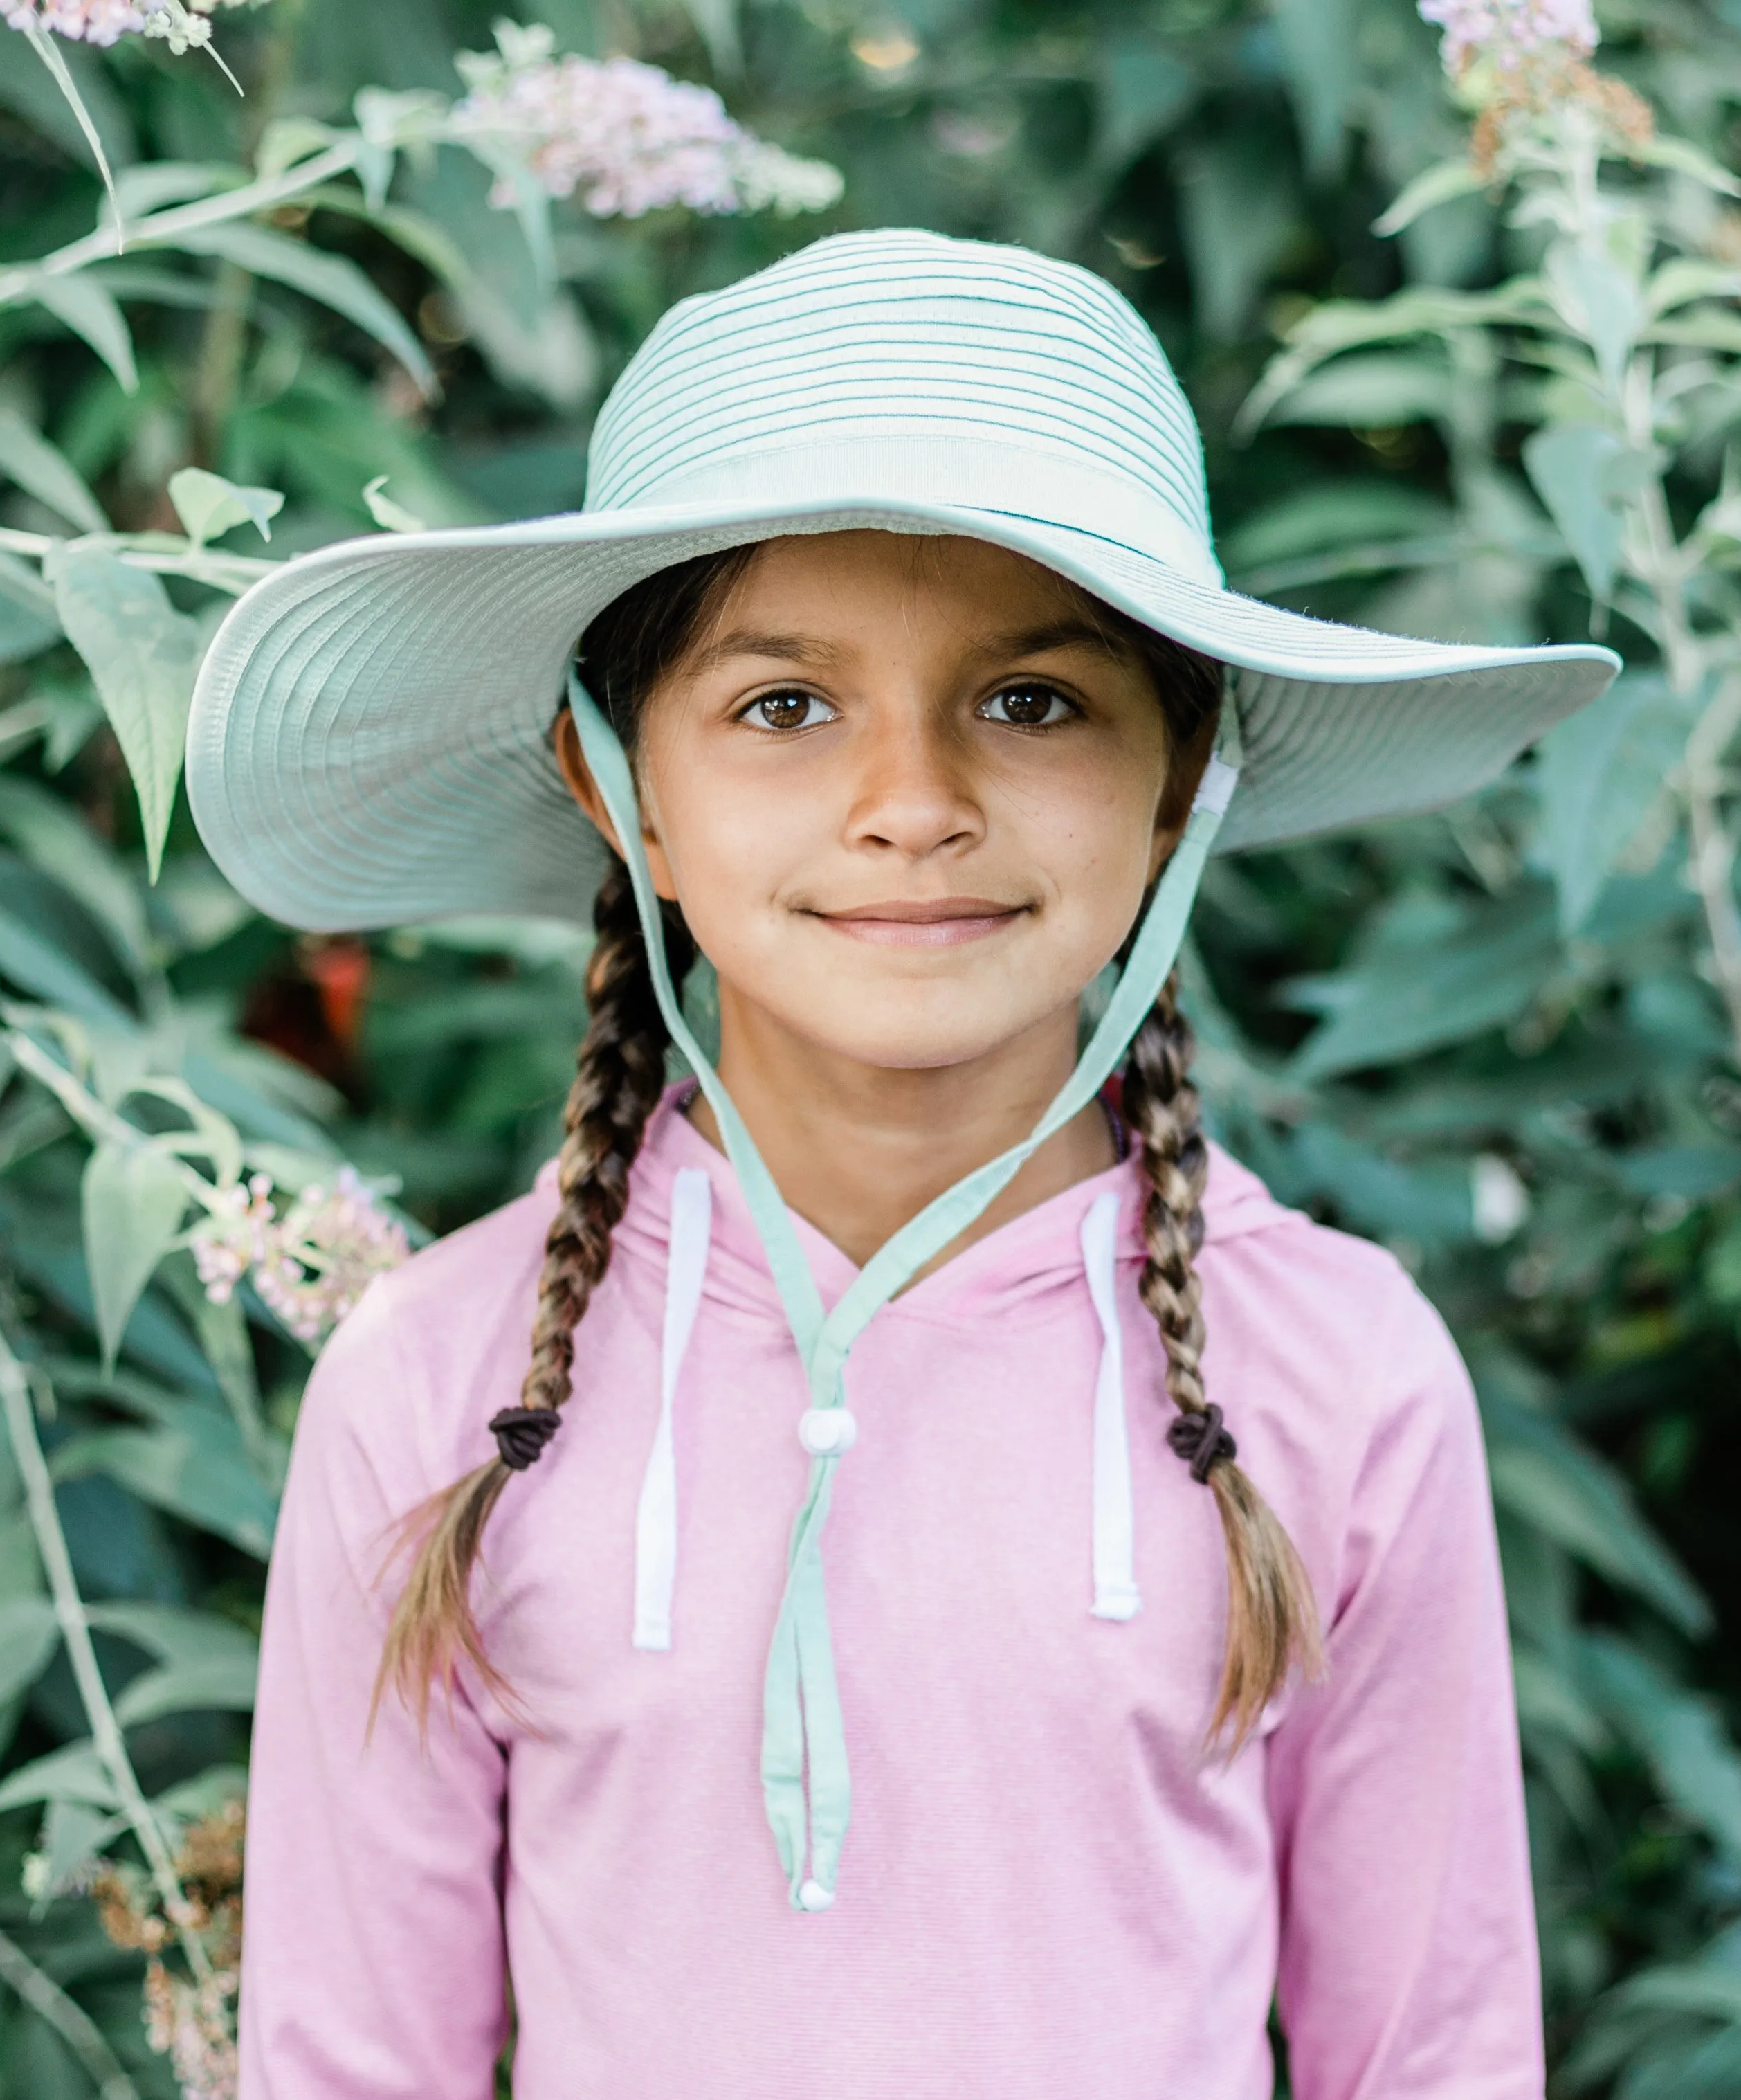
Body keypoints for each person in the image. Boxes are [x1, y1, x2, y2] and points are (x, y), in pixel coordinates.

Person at [188, 228, 1616, 2099]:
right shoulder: (444, 1389)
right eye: (783, 706)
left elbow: (1432, 2057)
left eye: (1033, 700)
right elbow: (348, 2065)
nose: (916, 802)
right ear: (620, 791)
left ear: (1182, 775)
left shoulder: (1339, 1377)